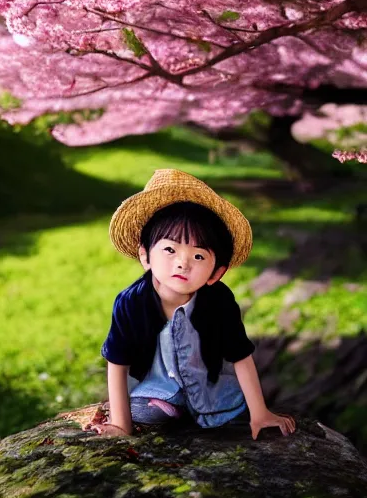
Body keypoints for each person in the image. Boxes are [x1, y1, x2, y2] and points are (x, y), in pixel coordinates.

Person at [91, 168, 296, 440]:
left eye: (199, 256)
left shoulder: (219, 300)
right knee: (146, 413)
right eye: (169, 249)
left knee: (232, 405)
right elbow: (118, 361)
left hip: (208, 384)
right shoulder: (131, 302)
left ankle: (204, 407)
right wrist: (121, 424)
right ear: (145, 255)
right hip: (159, 388)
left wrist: (260, 413)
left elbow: (239, 355)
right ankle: (175, 407)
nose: (182, 263)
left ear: (216, 273)